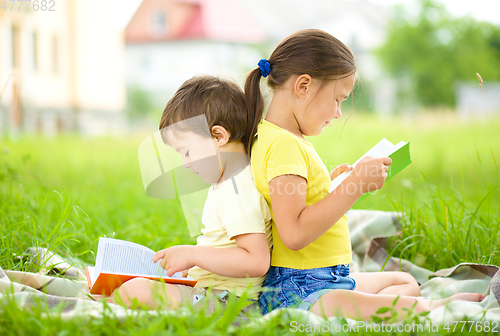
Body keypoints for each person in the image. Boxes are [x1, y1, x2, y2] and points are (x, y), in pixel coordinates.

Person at [246, 29, 484, 319]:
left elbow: (290, 200)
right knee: (392, 303)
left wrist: (331, 185)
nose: (337, 113)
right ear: (303, 86)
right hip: (301, 289)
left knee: (404, 282)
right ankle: (431, 308)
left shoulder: (279, 138)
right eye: (337, 100)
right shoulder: (285, 145)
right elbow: (294, 234)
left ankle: (376, 308)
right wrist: (354, 186)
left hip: (327, 279)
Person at [111, 75, 272, 312]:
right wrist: (194, 264)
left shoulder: (237, 190)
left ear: (219, 137)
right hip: (213, 291)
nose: (185, 164)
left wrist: (194, 255)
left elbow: (256, 261)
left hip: (229, 302)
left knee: (134, 291)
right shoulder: (227, 183)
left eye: (186, 152)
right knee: (132, 287)